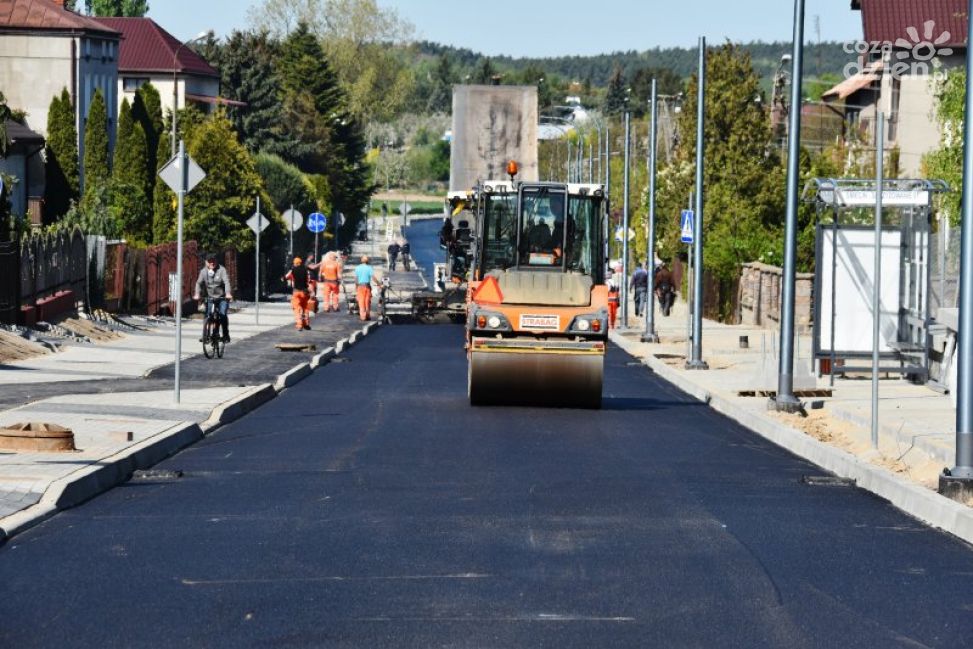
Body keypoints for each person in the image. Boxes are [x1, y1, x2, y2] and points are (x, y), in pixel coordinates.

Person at [194, 254, 233, 343]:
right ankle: (205, 336)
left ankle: (226, 335)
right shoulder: (203, 272)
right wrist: (197, 294)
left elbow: (226, 282)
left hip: (222, 297)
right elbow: (198, 283)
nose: (212, 263)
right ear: (206, 262)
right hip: (210, 297)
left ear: (216, 261)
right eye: (209, 261)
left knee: (222, 314)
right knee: (208, 315)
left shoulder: (221, 270)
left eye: (213, 261)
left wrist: (227, 293)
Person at [284, 257, 312, 331]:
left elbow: (286, 277)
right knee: (305, 308)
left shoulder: (293, 270)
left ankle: (299, 325)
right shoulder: (306, 270)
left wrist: (282, 279)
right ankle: (306, 324)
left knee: (296, 308)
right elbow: (309, 281)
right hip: (305, 292)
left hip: (296, 292)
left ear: (295, 263)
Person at [354, 255, 379, 321]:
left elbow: (356, 279)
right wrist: (379, 284)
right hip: (367, 287)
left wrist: (356, 287)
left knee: (361, 301)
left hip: (360, 286)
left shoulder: (357, 268)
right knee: (367, 301)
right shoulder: (369, 268)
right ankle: (367, 315)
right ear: (368, 261)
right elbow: (373, 277)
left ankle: (363, 316)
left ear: (361, 260)